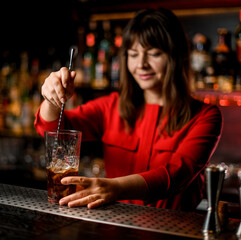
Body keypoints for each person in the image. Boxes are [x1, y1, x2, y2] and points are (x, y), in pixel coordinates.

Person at [35, 8, 222, 211]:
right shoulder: (111, 106)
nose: (141, 64)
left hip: (174, 230)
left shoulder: (205, 116)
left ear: (177, 57)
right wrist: (52, 99)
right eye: (133, 54)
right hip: (116, 228)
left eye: (154, 54)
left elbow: (175, 176)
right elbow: (53, 128)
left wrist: (114, 188)